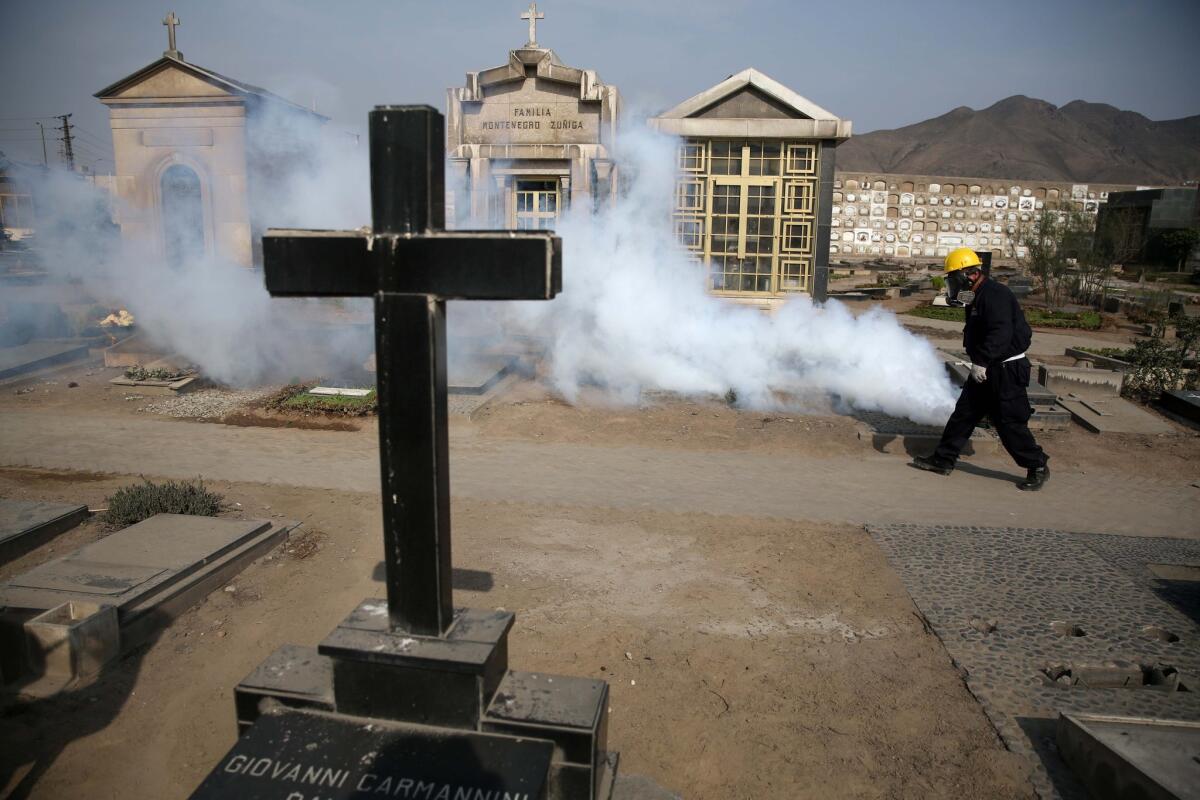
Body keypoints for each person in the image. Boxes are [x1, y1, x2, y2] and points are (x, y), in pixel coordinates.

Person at [913, 248, 1050, 490]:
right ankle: (943, 460)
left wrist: (983, 361)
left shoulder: (995, 295)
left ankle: (1037, 465)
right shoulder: (978, 292)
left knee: (1009, 423)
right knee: (964, 414)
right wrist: (955, 299)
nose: (951, 283)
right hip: (986, 368)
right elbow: (970, 305)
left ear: (969, 275)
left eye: (953, 278)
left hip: (1005, 370)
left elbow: (1001, 332)